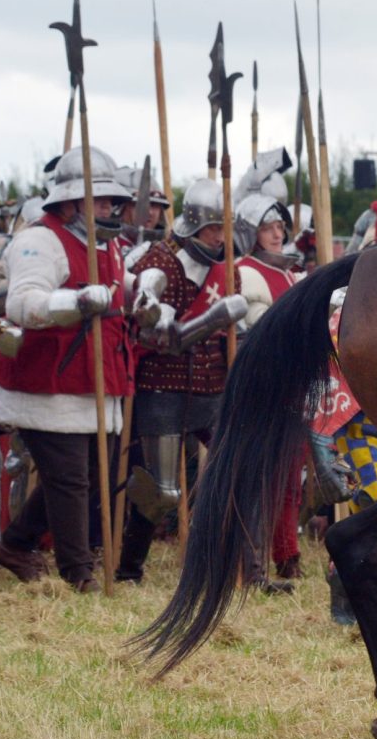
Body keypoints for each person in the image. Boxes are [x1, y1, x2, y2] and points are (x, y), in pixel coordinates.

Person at [0, 148, 147, 591]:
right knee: (72, 480)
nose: (109, 208)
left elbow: (121, 287)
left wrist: (143, 291)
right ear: (71, 201)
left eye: (110, 201)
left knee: (96, 475)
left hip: (97, 376)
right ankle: (78, 572)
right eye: (99, 200)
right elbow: (23, 303)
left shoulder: (107, 242)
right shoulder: (40, 240)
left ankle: (15, 543)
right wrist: (75, 303)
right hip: (49, 381)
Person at [118, 178, 276, 589]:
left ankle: (251, 571)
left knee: (242, 472)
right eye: (211, 230)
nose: (219, 238)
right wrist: (213, 318)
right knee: (164, 491)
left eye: (223, 230)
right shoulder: (161, 263)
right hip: (164, 385)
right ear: (193, 226)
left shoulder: (229, 271)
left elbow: (234, 333)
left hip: (213, 385)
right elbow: (159, 338)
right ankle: (129, 569)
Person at [234, 191, 306, 578]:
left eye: (279, 226)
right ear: (250, 232)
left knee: (292, 478)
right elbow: (259, 330)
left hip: (294, 384)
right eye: (266, 228)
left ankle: (288, 554)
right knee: (263, 476)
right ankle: (253, 560)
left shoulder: (290, 272)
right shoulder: (246, 272)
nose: (276, 234)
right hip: (264, 388)